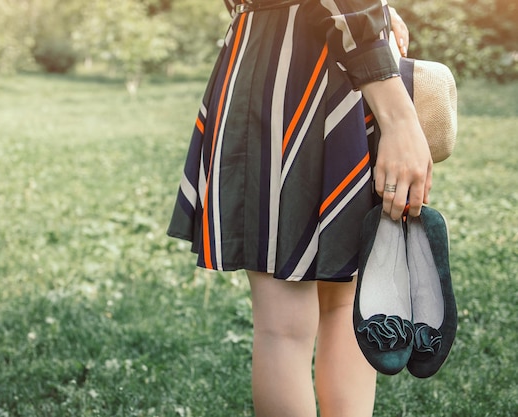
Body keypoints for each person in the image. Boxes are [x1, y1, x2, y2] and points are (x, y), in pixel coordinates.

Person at [167, 1, 431, 416]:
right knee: (324, 313)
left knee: (302, 321)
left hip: (264, 61)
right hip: (320, 68)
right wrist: (399, 118)